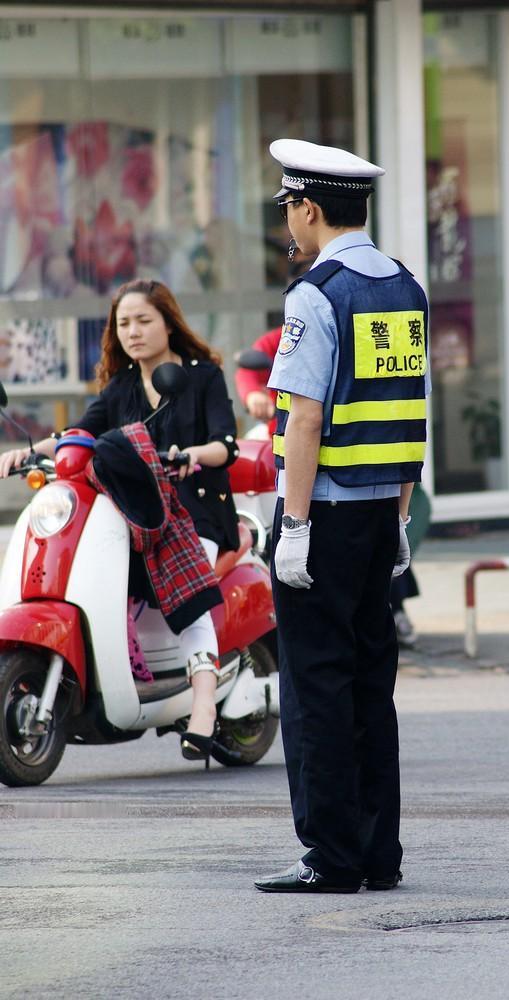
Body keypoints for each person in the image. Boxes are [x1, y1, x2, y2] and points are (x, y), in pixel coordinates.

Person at [254, 139, 430, 894]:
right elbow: (408, 417)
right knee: (368, 684)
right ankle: (376, 852)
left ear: (311, 208)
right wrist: (397, 517)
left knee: (314, 686)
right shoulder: (405, 287)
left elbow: (302, 421)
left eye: (291, 208)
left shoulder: (314, 294)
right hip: (377, 517)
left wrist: (291, 528)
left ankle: (330, 856)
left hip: (321, 518)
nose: (288, 225)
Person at [0, 278, 240, 765]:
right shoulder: (121, 388)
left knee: (185, 591)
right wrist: (28, 452)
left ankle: (201, 710)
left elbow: (226, 444)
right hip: (139, 518)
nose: (132, 332)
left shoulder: (201, 378)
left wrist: (190, 455)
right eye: (123, 323)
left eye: (143, 320)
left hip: (195, 517)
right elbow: (80, 435)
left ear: (168, 324)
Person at [235, 325, 427, 648]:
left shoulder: (348, 319)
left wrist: (294, 526)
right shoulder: (280, 336)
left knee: (379, 558)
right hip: (299, 462)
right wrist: (253, 396)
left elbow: (309, 419)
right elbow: (249, 377)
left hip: (353, 469)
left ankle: (396, 609)